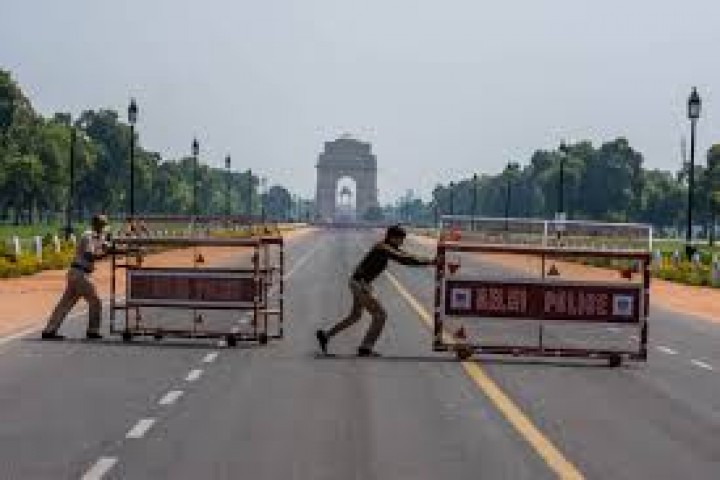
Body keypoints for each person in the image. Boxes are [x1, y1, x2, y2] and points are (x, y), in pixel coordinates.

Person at [316, 225, 435, 357]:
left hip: (359, 283)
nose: (402, 242)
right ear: (393, 237)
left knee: (355, 316)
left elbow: (406, 255)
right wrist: (430, 262)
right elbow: (405, 259)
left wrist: (429, 260)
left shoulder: (386, 247)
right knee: (380, 315)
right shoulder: (383, 248)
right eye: (401, 239)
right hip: (360, 284)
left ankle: (325, 335)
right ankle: (366, 347)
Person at [41, 214, 111, 340]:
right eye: (103, 224)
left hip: (76, 273)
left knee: (66, 303)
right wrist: (107, 253)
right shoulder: (89, 235)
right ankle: (92, 330)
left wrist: (110, 249)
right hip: (80, 274)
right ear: (96, 224)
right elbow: (89, 255)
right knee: (95, 301)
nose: (104, 227)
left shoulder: (98, 237)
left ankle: (49, 330)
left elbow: (105, 247)